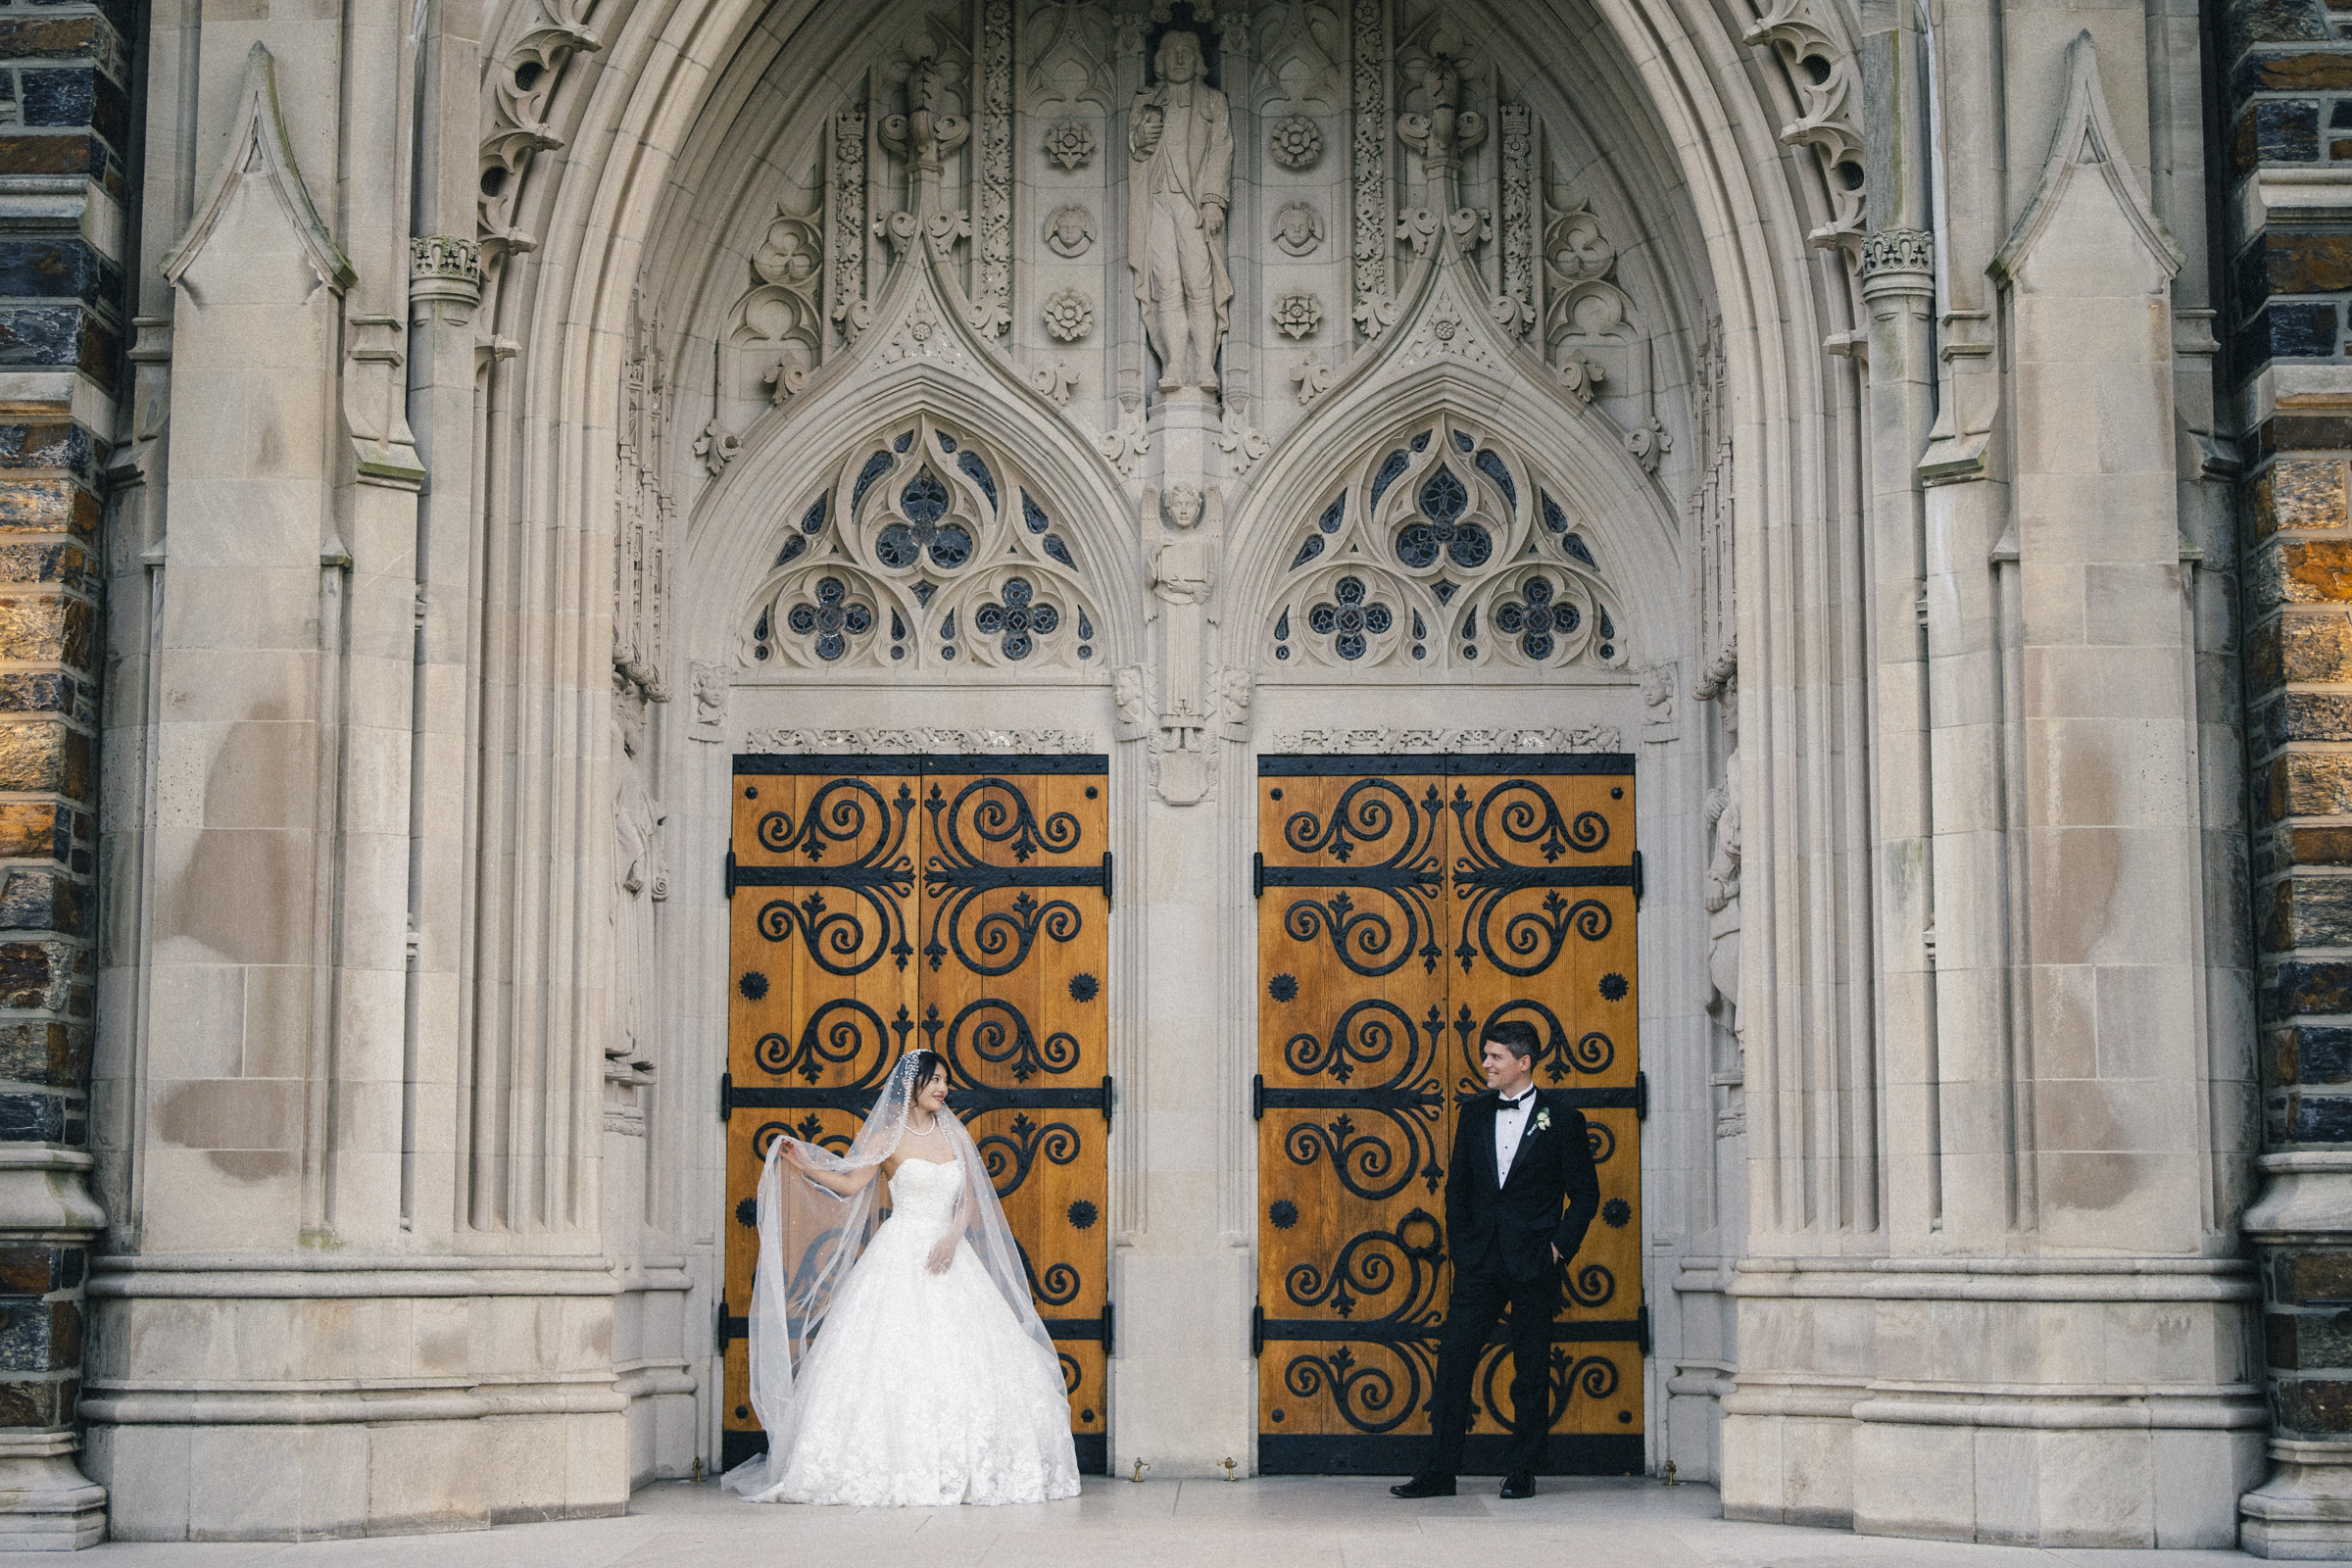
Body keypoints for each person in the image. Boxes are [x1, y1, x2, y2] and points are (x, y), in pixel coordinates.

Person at [721, 1050, 1081, 1506]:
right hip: (899, 1253)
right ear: (912, 1086)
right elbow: (852, 1185)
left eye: (946, 1081)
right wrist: (805, 1165)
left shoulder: (954, 1135)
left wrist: (953, 1238)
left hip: (949, 1254)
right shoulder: (890, 1137)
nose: (943, 1088)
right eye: (934, 1080)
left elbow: (968, 1199)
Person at [1392, 1019, 1602, 1501]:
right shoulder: (1474, 1112)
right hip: (1480, 1261)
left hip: (1534, 1261)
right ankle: (1440, 1472)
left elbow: (1586, 1196)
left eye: (1495, 1057)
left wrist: (1558, 1248)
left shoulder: (1563, 1119)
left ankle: (1522, 1470)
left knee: (1531, 1367)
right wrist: (1464, 1245)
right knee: (1454, 1362)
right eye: (1486, 1055)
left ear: (1523, 1062)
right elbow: (1458, 1187)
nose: (1486, 1064)